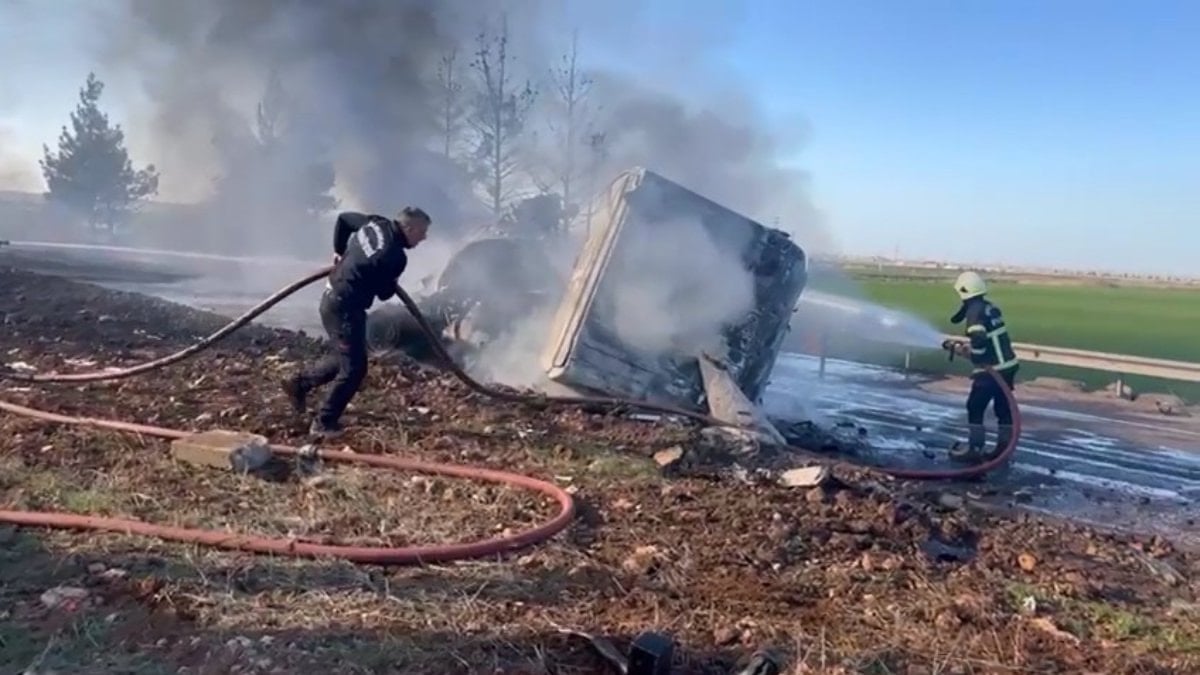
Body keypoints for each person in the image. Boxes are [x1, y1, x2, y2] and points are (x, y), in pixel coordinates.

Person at [283, 207, 431, 437]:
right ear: (409, 228)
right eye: (422, 232)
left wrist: (339, 251)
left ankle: (299, 383)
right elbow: (383, 294)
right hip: (344, 308)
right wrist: (391, 280)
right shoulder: (394, 257)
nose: (424, 238)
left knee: (348, 356)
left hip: (332, 298)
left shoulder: (376, 223)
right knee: (354, 369)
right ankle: (323, 423)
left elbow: (344, 219)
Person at [947, 270, 1020, 462]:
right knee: (1003, 409)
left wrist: (973, 354)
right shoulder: (987, 307)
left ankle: (975, 449)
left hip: (992, 370)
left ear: (964, 291)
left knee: (975, 406)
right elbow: (989, 338)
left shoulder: (974, 311)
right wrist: (971, 349)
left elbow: (979, 338)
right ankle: (1004, 450)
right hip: (1008, 365)